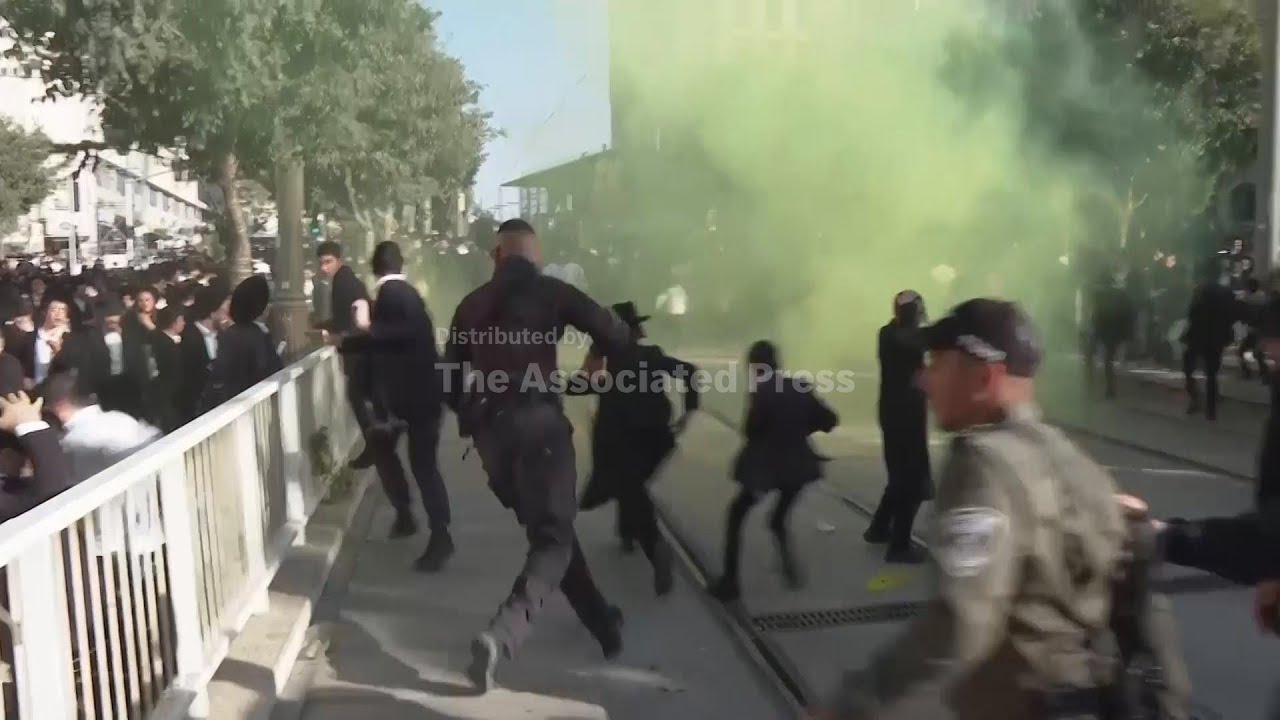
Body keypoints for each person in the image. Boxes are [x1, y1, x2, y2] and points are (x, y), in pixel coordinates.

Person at [815, 299, 1131, 720]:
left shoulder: (983, 464)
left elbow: (961, 622)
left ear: (984, 376)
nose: (925, 379)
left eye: (938, 363)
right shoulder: (1077, 462)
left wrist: (853, 705)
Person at [444, 218, 630, 693]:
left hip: (493, 443)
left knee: (554, 535)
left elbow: (448, 384)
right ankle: (500, 635)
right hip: (539, 430)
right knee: (553, 541)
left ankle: (604, 625)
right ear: (536, 255)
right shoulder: (552, 292)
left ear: (496, 255)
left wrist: (475, 414)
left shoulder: (469, 306)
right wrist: (595, 362)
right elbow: (616, 331)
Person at [572, 301, 699, 596]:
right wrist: (689, 412)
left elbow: (580, 386)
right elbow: (690, 372)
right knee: (630, 486)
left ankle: (655, 549)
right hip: (656, 441)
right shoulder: (651, 355)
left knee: (629, 488)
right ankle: (628, 533)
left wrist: (592, 358)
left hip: (619, 440)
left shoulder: (607, 358)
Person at [341, 241, 453, 572]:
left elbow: (399, 335)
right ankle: (407, 516)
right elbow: (392, 338)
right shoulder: (406, 294)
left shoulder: (393, 295)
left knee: (422, 465)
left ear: (374, 268)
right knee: (389, 452)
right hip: (415, 398)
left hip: (413, 399)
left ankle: (439, 534)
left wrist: (361, 329)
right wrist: (347, 341)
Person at [709, 340, 838, 604]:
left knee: (736, 516)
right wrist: (800, 430)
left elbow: (750, 430)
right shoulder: (800, 386)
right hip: (800, 470)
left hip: (766, 472)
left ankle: (730, 583)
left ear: (756, 366)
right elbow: (830, 420)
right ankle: (789, 566)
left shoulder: (762, 391)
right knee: (778, 518)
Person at [865, 290, 930, 564]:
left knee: (899, 476)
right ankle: (899, 545)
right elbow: (921, 341)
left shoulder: (889, 332)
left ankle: (879, 528)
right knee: (913, 483)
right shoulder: (901, 337)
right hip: (905, 417)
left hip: (896, 414)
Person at [315, 241, 376, 470]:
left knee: (357, 397)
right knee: (361, 397)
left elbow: (343, 320)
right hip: (363, 347)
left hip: (356, 349)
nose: (324, 268)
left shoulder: (342, 283)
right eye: (321, 263)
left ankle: (374, 446)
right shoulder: (349, 279)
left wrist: (326, 331)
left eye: (328, 262)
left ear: (339, 260)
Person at [200, 275, 283, 410]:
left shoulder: (230, 335)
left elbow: (220, 374)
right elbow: (269, 368)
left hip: (236, 404)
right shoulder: (259, 334)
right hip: (252, 404)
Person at [1182, 259, 1237, 420]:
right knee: (1212, 373)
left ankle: (1195, 399)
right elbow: (1232, 315)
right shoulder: (1227, 292)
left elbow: (1192, 313)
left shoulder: (1200, 290)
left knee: (1188, 367)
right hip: (1218, 336)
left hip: (1199, 335)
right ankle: (1211, 411)